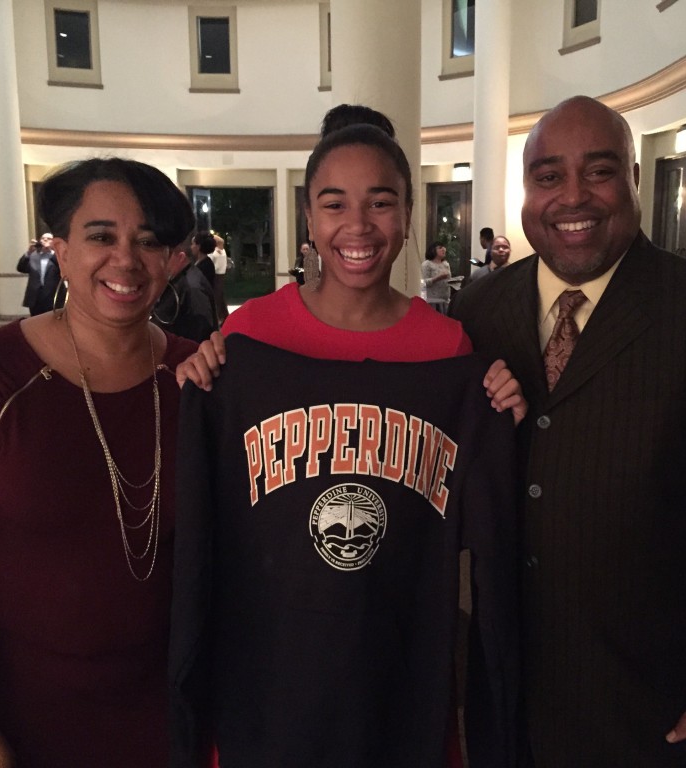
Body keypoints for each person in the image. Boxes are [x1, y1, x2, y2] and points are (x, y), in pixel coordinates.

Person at [450, 95, 686, 767]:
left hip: (654, 705)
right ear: (527, 190)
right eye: (549, 176)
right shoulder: (479, 311)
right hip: (508, 690)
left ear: (635, 178)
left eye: (600, 171)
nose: (573, 197)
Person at [170, 112, 525, 768]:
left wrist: (500, 404)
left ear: (409, 214)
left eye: (381, 202)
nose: (358, 226)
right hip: (271, 663)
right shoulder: (249, 337)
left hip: (395, 664)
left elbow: (474, 520)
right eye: (334, 204)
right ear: (309, 218)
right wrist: (201, 386)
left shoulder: (446, 347)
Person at [0, 158, 197, 767]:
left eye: (149, 241)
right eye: (101, 236)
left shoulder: (200, 377)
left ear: (172, 260)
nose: (126, 259)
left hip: (171, 710)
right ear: (60, 251)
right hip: (27, 710)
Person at [151, 240, 220, 343]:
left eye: (166, 259)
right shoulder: (179, 280)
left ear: (181, 257)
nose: (161, 265)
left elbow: (201, 330)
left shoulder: (193, 286)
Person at [16, 232, 62, 316]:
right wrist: (28, 252)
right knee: (35, 321)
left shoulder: (57, 256)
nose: (45, 240)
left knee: (52, 321)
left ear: (53, 242)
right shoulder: (33, 256)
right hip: (35, 297)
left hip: (52, 296)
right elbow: (21, 268)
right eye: (43, 238)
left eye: (48, 239)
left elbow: (62, 268)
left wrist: (52, 251)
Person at [421, 241, 452, 312]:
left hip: (445, 300)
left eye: (444, 247)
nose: (443, 249)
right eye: (440, 248)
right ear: (433, 250)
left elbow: (448, 280)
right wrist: (438, 278)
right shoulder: (427, 264)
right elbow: (424, 283)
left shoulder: (446, 264)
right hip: (432, 301)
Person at [210, 233, 230, 322]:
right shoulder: (223, 252)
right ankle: (224, 315)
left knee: (216, 297)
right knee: (220, 296)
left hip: (216, 275)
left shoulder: (215, 253)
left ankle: (217, 316)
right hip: (222, 275)